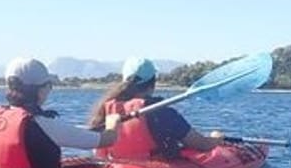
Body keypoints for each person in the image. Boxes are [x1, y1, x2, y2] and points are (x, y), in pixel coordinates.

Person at [0, 57, 121, 168]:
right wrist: (113, 122)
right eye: (48, 86)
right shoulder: (45, 123)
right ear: (41, 90)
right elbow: (105, 140)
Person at [87, 57, 223, 160]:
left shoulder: (106, 109)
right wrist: (216, 138)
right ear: (153, 83)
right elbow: (202, 144)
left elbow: (98, 154)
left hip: (118, 167)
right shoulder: (162, 111)